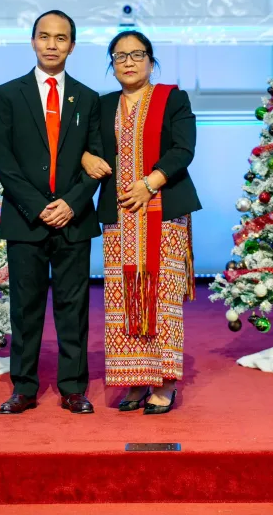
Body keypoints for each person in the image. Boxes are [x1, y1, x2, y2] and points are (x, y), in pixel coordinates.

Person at [0, 10, 102, 415]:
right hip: (26, 220)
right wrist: (39, 208)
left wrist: (71, 203)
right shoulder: (8, 94)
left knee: (74, 308)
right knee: (25, 308)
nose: (52, 44)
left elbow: (97, 159)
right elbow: (2, 159)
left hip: (74, 219)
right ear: (33, 41)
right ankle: (24, 387)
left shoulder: (88, 98)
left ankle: (73, 388)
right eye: (44, 36)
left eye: (61, 38)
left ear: (72, 46)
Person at [82, 31, 201, 414]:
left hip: (164, 211)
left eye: (137, 54)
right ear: (111, 64)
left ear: (151, 60)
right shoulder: (102, 105)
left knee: (161, 298)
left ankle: (164, 383)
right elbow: (84, 146)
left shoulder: (172, 98)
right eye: (120, 56)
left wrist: (150, 183)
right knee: (124, 299)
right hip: (120, 216)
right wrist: (85, 157)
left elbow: (183, 149)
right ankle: (134, 380)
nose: (129, 62)